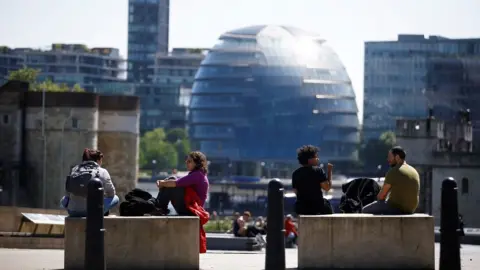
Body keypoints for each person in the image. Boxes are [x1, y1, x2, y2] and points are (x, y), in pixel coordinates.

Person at [61, 148, 119, 217]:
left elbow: (67, 193)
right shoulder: (103, 171)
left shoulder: (74, 169)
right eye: (101, 160)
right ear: (98, 160)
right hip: (92, 212)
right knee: (115, 198)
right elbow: (111, 194)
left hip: (72, 211)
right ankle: (102, 215)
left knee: (63, 199)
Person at [362, 146, 420, 215]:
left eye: (390, 157)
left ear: (397, 157)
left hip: (396, 208)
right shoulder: (414, 171)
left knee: (364, 210)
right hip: (410, 209)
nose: (388, 159)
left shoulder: (394, 171)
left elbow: (381, 196)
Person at [156, 151, 209, 215]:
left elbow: (176, 183)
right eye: (186, 161)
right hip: (191, 209)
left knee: (171, 180)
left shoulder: (198, 175)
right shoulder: (199, 175)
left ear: (197, 163)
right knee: (170, 180)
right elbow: (179, 181)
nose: (186, 162)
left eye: (189, 161)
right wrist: (165, 182)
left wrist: (162, 183)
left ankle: (158, 208)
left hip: (192, 211)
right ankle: (159, 207)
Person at [292, 145, 333, 215]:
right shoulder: (318, 171)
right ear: (310, 159)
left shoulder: (295, 173)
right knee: (327, 204)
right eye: (316, 157)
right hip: (317, 207)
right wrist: (329, 171)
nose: (318, 159)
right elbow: (327, 188)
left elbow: (296, 191)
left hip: (302, 208)